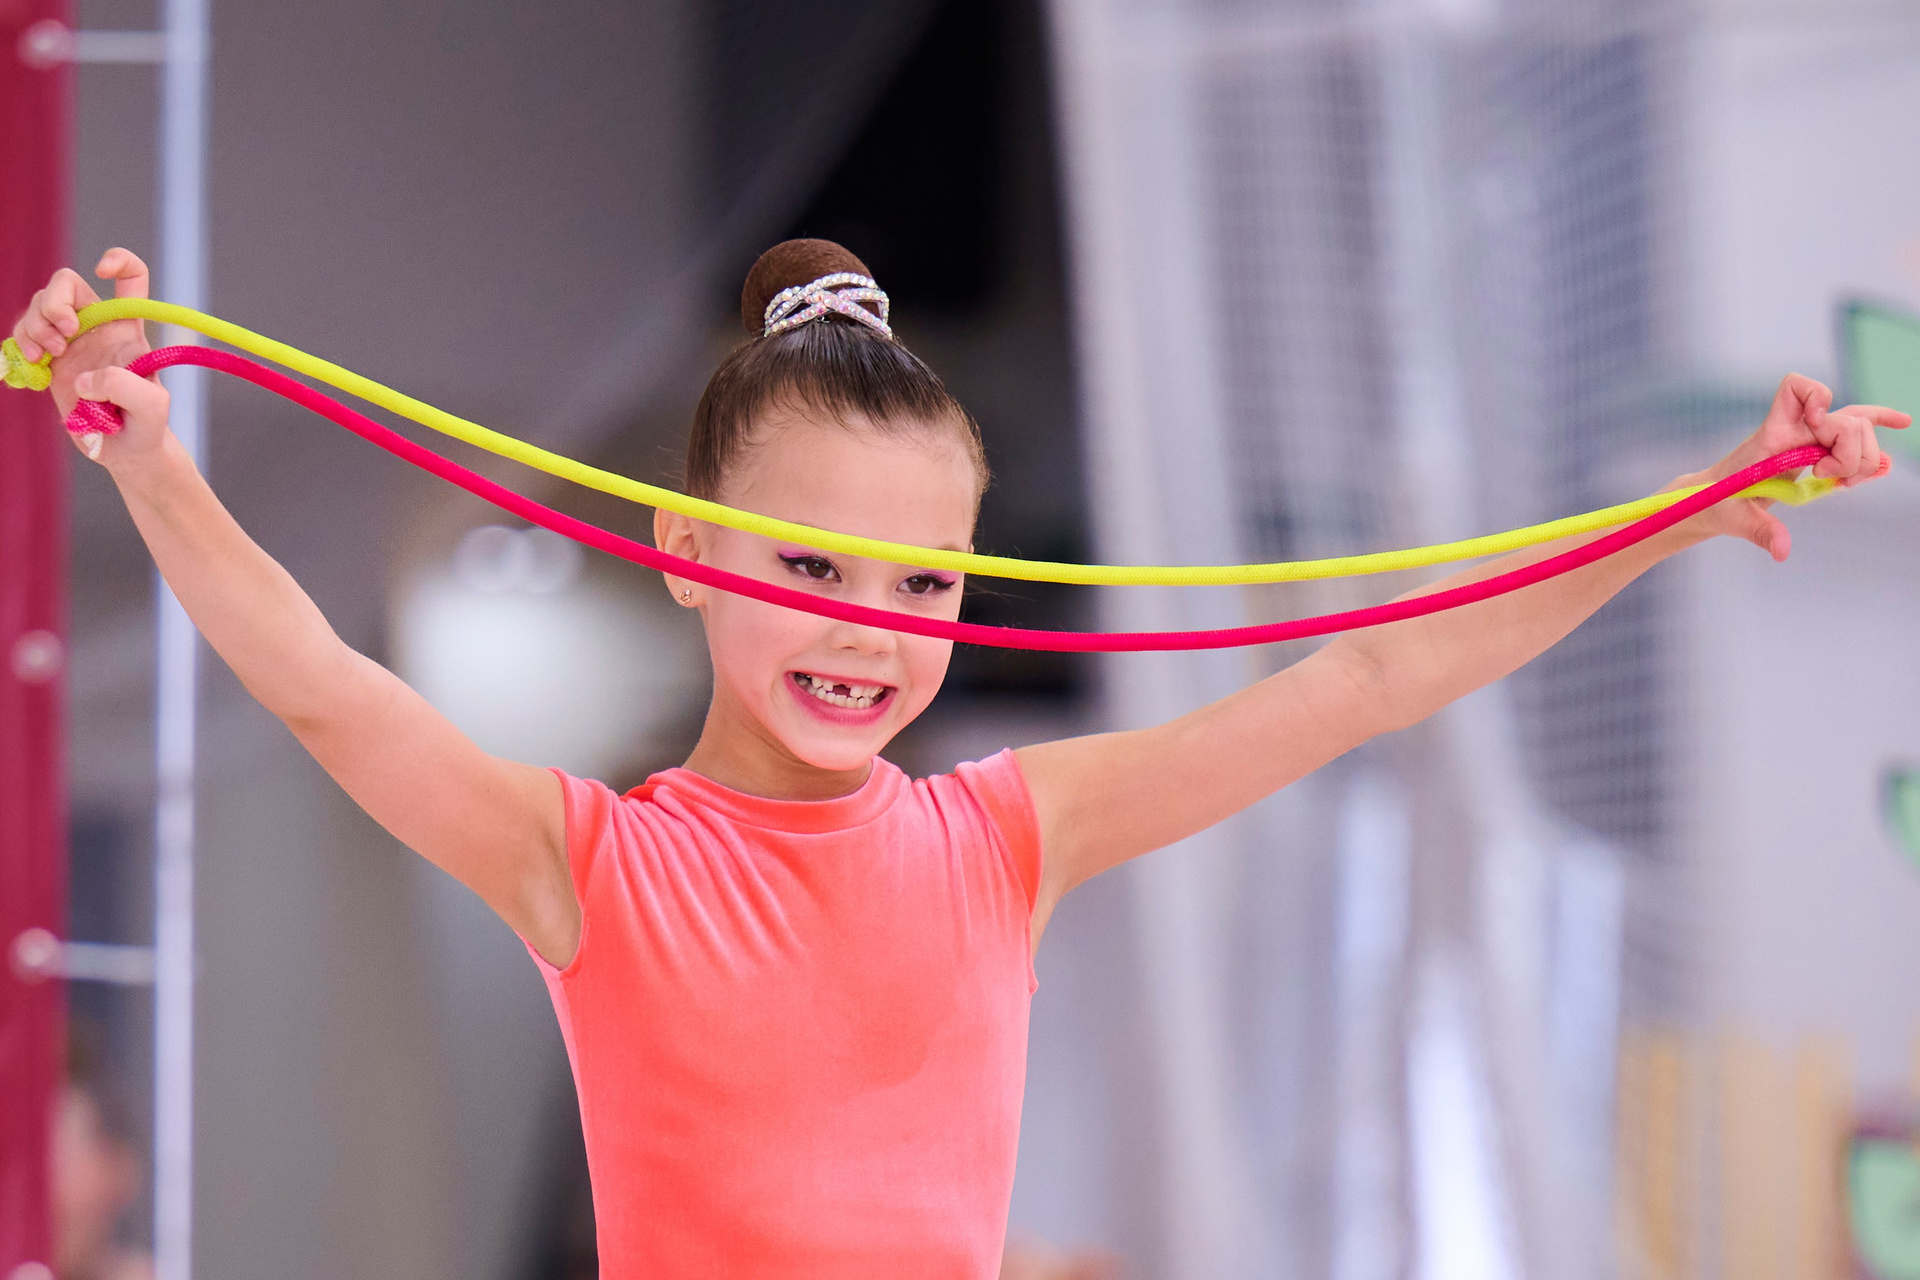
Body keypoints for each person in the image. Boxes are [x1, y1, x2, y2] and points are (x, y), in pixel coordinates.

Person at [11, 240, 1903, 1278]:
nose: (870, 629)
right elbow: (329, 692)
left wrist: (1683, 509)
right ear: (685, 553)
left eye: (923, 582)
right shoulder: (591, 862)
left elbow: (1371, 678)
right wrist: (149, 462)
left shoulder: (1012, 834)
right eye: (812, 570)